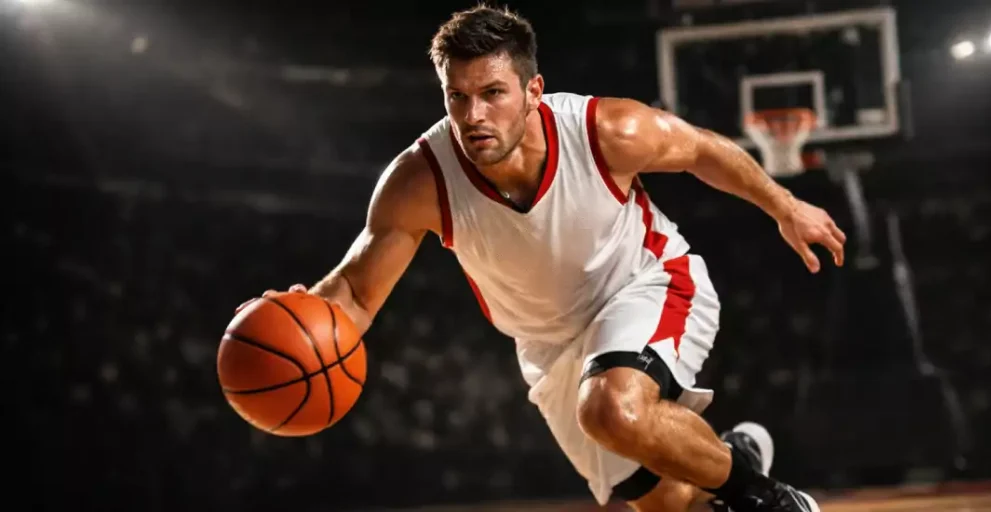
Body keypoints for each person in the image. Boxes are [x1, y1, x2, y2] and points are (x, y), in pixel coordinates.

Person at [244, 6, 845, 511]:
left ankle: (771, 499)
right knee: (671, 503)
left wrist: (784, 204)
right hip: (550, 348)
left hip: (647, 282)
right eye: (458, 96)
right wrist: (299, 318)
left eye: (492, 94)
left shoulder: (604, 129)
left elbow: (699, 150)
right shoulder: (419, 180)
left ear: (533, 91)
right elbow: (355, 295)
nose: (474, 115)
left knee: (611, 409)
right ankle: (732, 457)